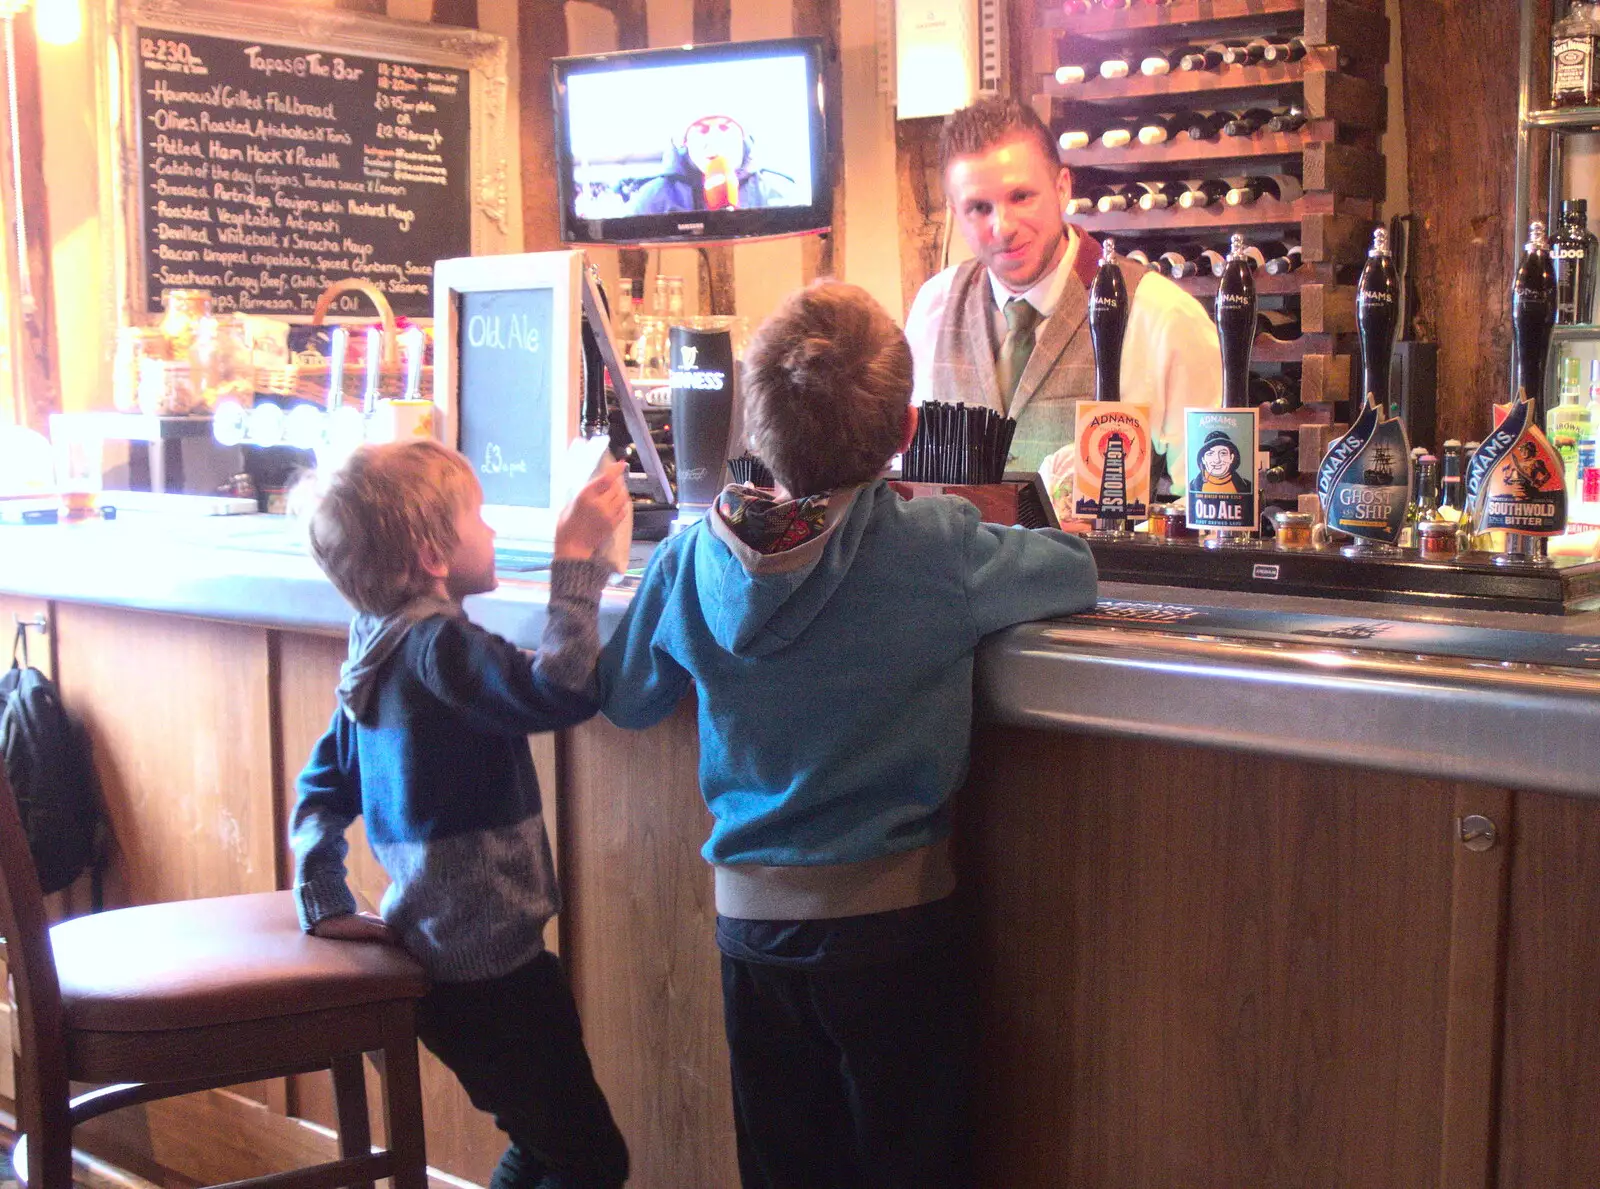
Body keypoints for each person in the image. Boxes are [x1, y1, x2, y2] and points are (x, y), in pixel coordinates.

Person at [596, 280, 1099, 1189]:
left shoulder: (689, 555)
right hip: (897, 925)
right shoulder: (935, 545)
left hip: (752, 926)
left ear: (752, 424)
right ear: (906, 429)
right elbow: (1075, 570)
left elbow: (627, 696)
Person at [289, 438, 632, 1189]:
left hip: (443, 958)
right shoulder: (439, 649)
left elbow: (321, 784)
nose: (494, 532)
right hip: (493, 971)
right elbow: (563, 690)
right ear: (432, 554)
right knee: (593, 1158)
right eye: (478, 517)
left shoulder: (375, 648)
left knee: (550, 1144)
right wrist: (577, 562)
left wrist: (322, 893)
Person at [904, 95, 1222, 488]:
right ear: (954, 211)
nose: (1003, 227)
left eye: (1021, 197)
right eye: (979, 208)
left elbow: (1204, 505)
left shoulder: (1162, 316)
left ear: (1062, 188)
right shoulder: (932, 309)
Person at [626, 114, 797, 215]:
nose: (714, 141)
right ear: (685, 142)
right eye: (702, 131)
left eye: (724, 128)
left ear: (743, 138)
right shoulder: (653, 196)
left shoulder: (778, 191)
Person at [1191, 429, 1252, 494]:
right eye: (1210, 454)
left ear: (1231, 458)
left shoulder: (1247, 487)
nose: (1217, 460)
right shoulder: (1192, 487)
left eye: (1223, 453)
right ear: (1203, 459)